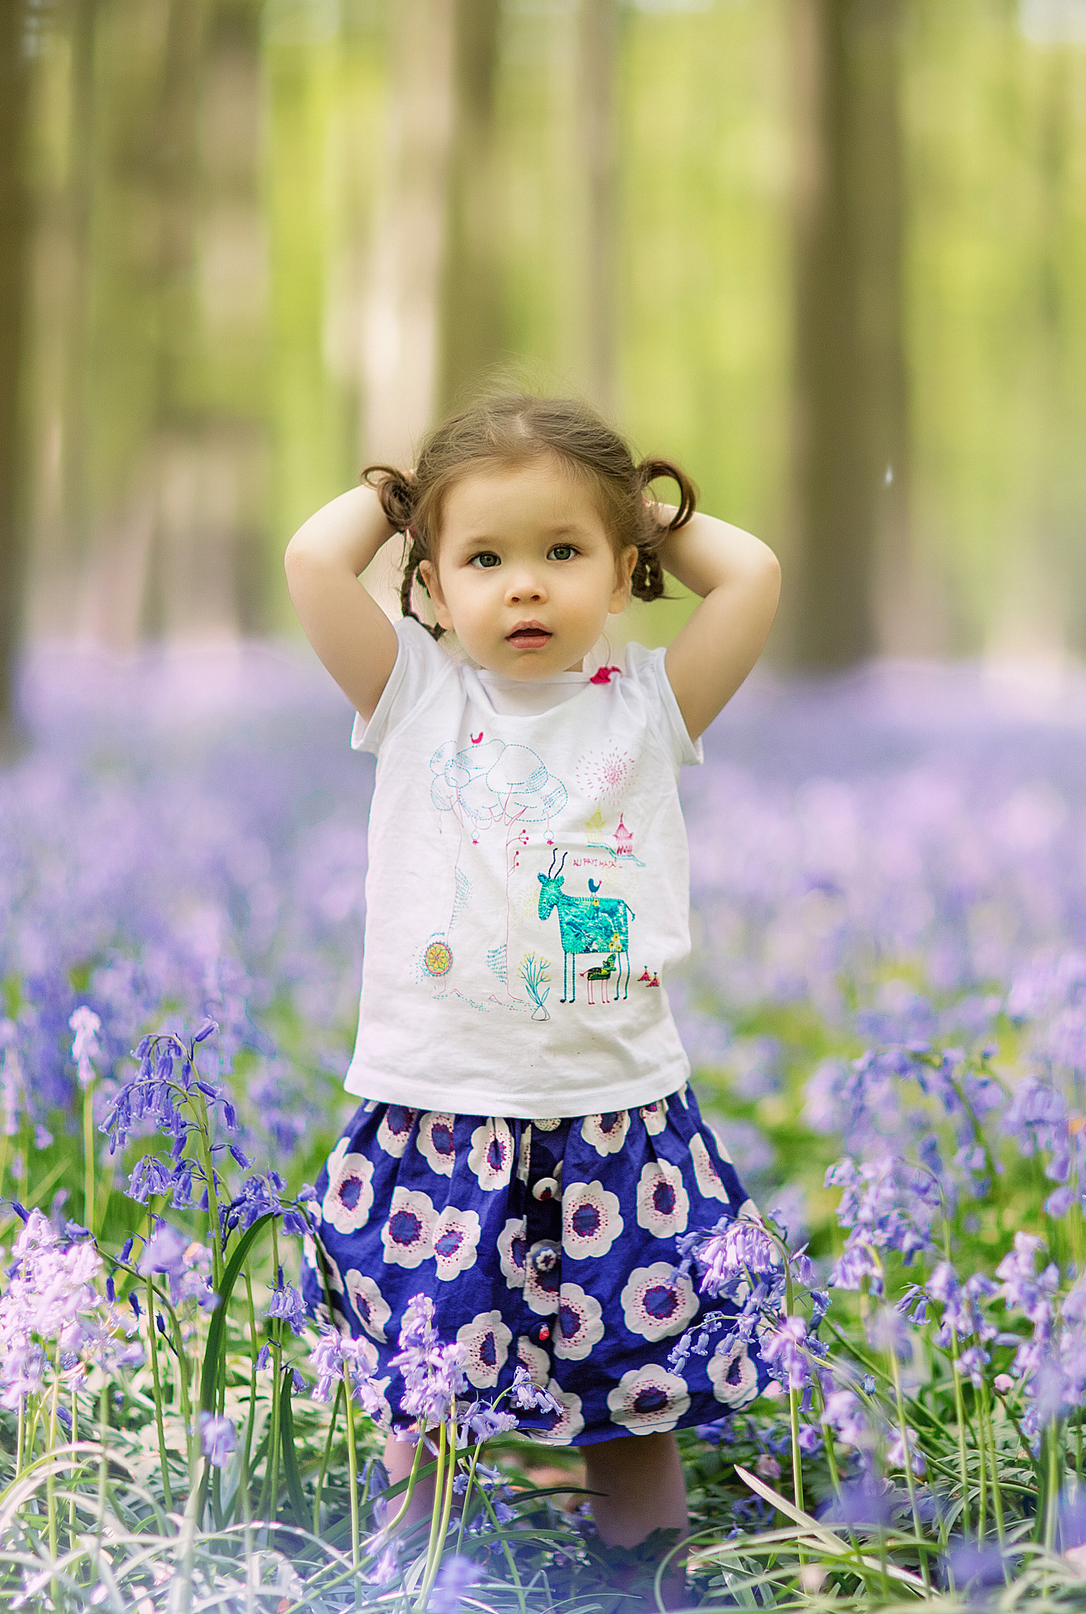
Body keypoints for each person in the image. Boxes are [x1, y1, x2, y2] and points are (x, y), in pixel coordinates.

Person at [282, 393, 781, 1566]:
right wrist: (400, 490)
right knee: (426, 1380)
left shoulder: (651, 705)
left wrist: (633, 505)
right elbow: (313, 559)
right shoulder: (411, 695)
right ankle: (414, 1576)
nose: (523, 585)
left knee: (631, 1390)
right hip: (442, 1109)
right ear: (429, 583)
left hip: (615, 1115)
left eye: (563, 553)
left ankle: (642, 1585)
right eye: (484, 557)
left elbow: (750, 574)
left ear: (623, 574)